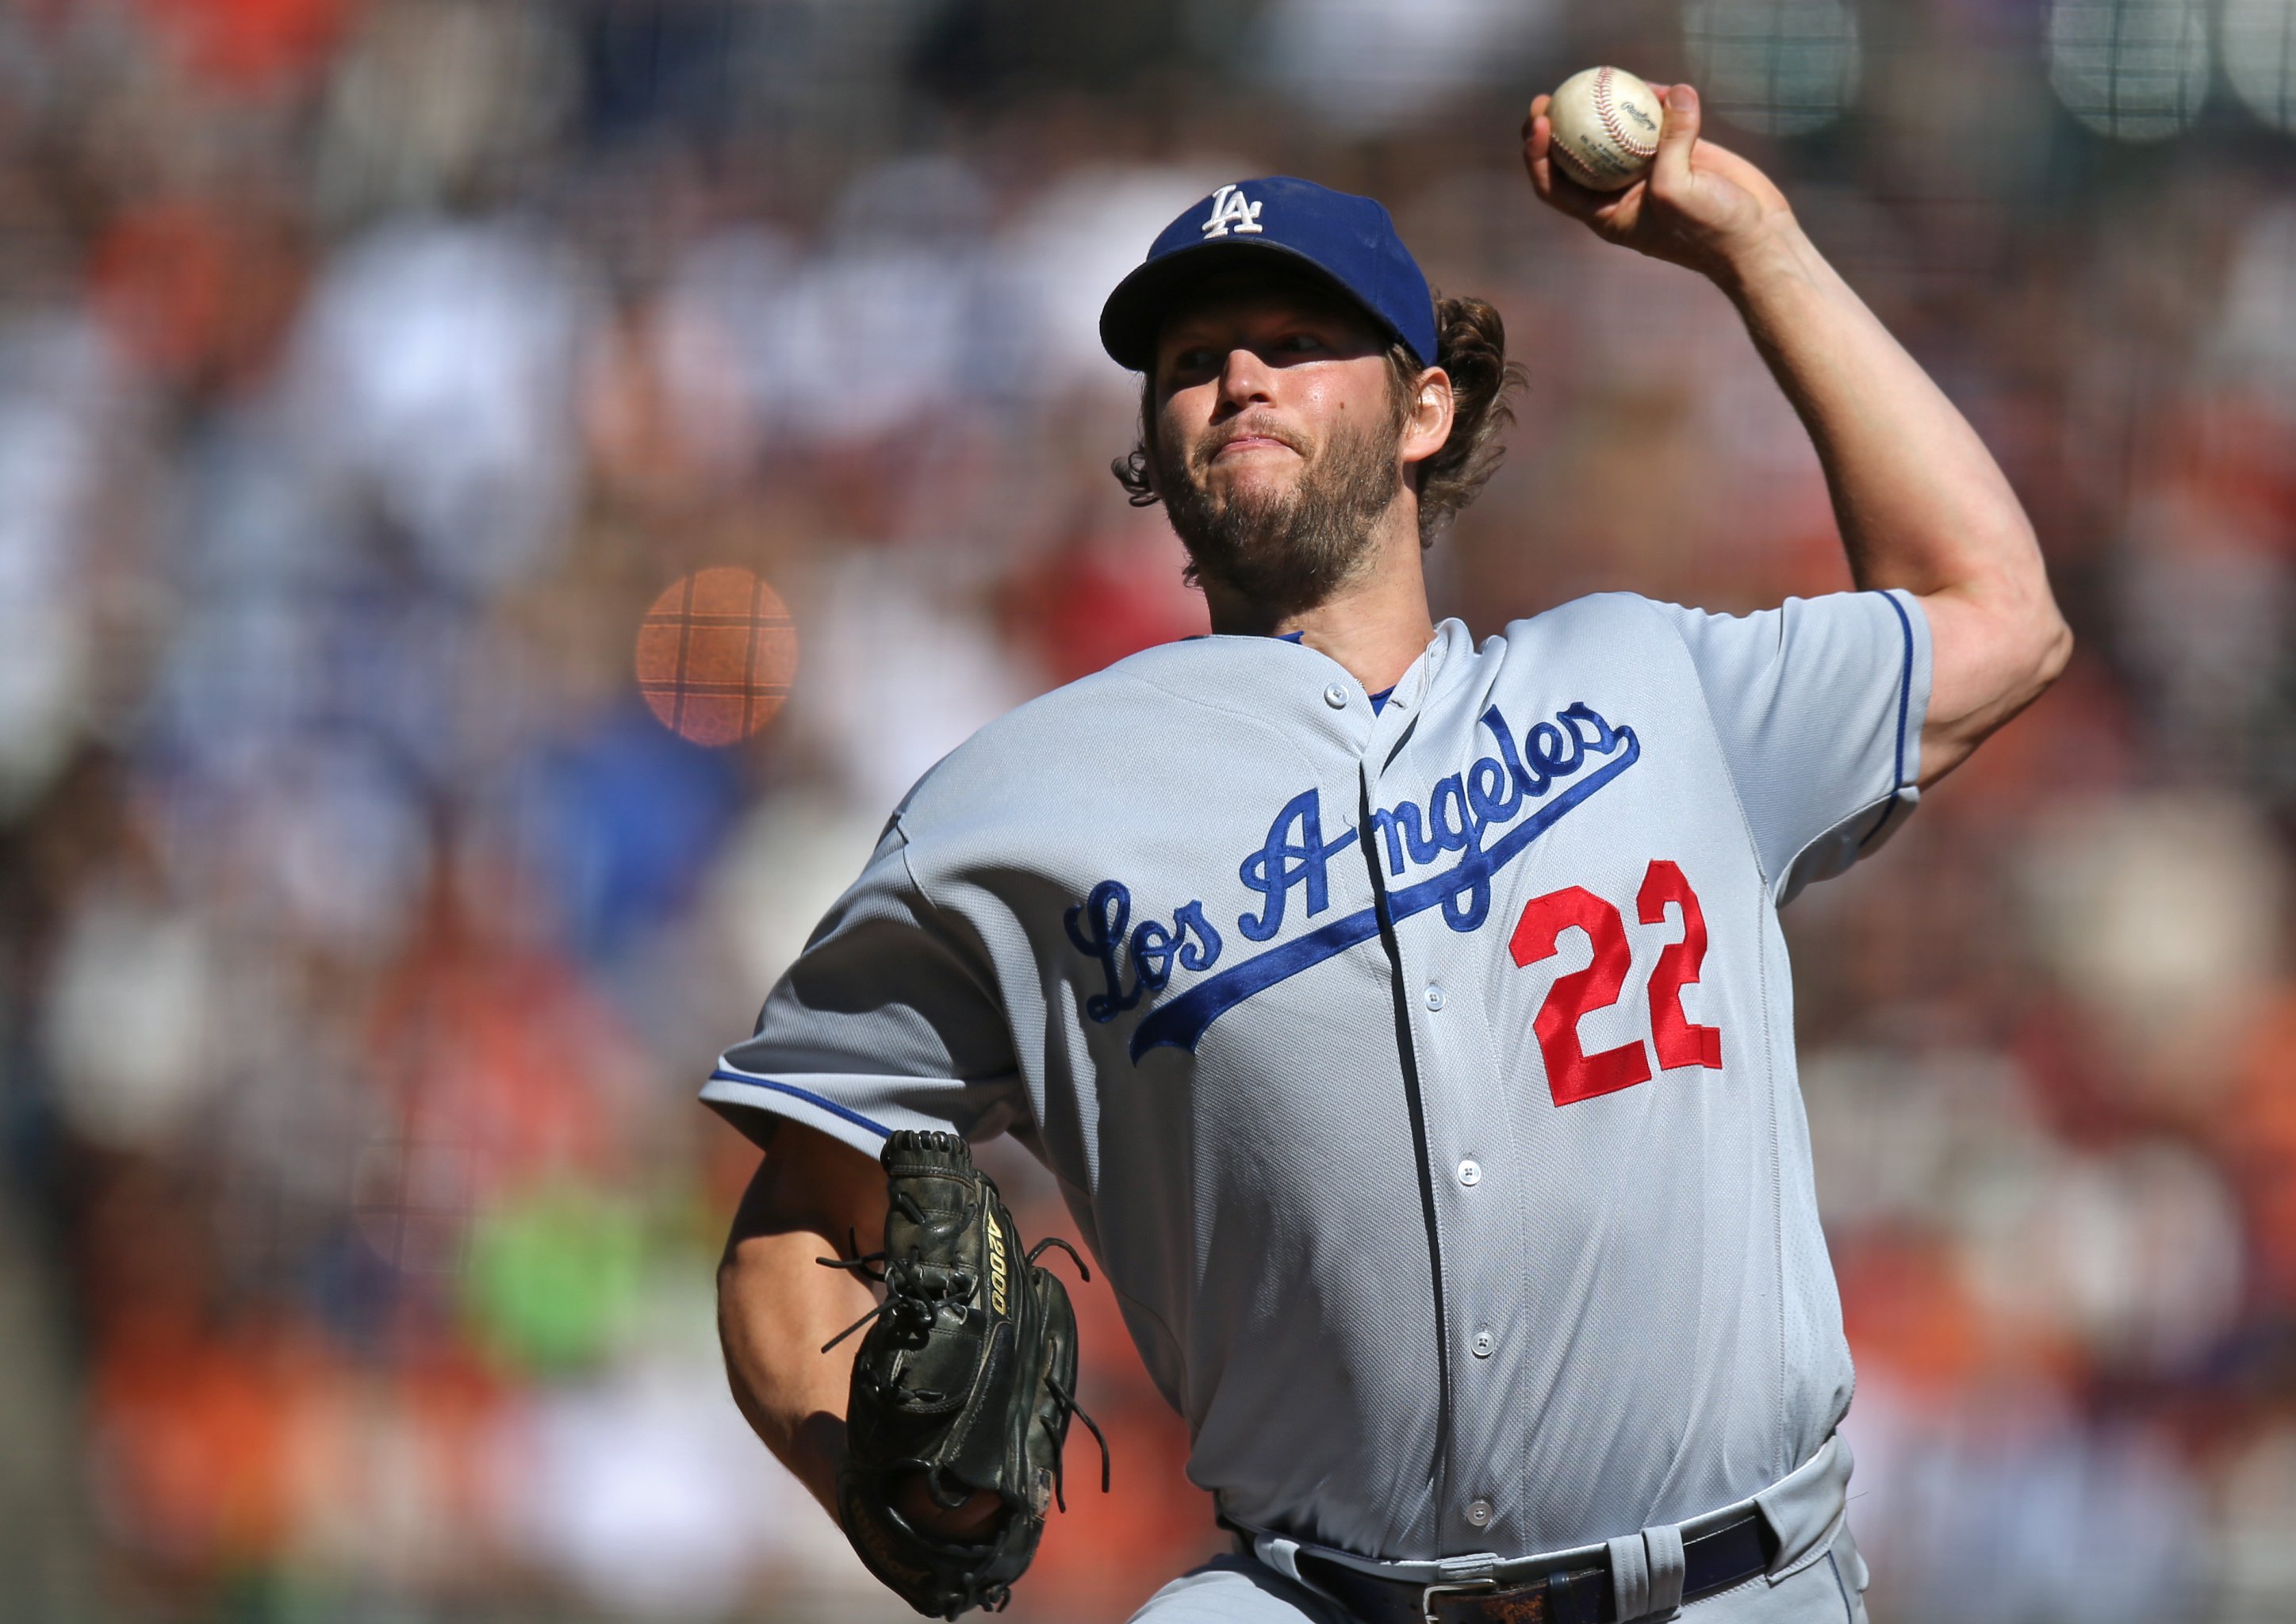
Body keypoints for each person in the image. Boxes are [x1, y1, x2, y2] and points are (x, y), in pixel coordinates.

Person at [711, 84, 2070, 1623]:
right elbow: (791, 1228)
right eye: (1188, 360)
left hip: (1732, 1581)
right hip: (1313, 1594)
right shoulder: (1014, 811)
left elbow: (1999, 618)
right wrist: (871, 1486)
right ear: (1152, 444)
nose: (1236, 375)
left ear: (1428, 409)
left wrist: (1755, 247)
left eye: (1294, 341)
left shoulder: (1648, 683)